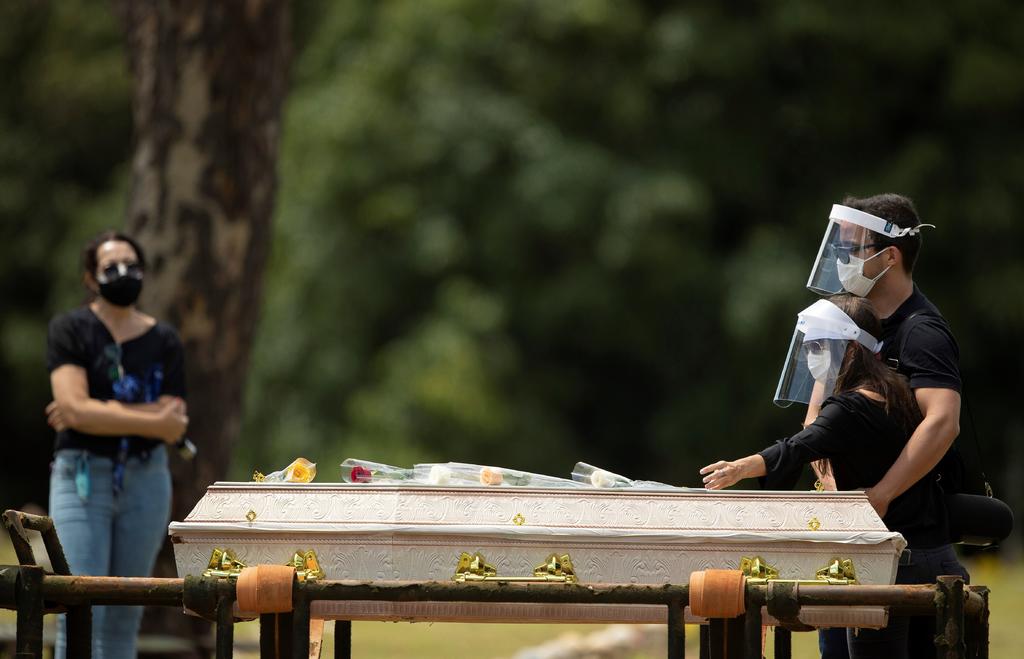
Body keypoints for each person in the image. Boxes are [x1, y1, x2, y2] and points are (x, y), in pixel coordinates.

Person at [700, 294, 968, 658]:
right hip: (937, 557)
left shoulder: (848, 408)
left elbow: (798, 446)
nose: (811, 357)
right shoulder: (898, 391)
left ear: (852, 350)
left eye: (818, 346)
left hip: (889, 566)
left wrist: (740, 468)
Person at [805, 195, 963, 659]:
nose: (842, 260)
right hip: (849, 542)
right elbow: (815, 419)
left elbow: (943, 422)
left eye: (852, 249)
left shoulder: (921, 332)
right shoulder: (846, 321)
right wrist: (832, 488)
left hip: (908, 545)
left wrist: (879, 496)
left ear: (889, 255)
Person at [45, 230, 188, 659]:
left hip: (146, 481)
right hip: (82, 478)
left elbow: (174, 426)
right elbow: (73, 409)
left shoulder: (164, 341)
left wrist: (93, 410)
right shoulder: (70, 329)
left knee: (125, 615)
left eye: (131, 265)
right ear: (91, 278)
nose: (122, 273)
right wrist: (149, 417)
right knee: (80, 608)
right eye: (111, 267)